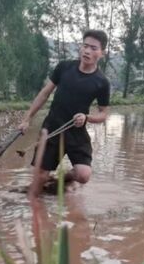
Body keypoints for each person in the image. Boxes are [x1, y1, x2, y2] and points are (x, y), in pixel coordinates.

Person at [19, 29, 110, 197]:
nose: (87, 51)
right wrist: (27, 119)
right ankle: (40, 199)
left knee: (83, 175)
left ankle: (61, 178)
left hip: (77, 132)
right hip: (52, 129)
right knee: (39, 180)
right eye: (85, 46)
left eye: (94, 48)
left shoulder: (102, 82)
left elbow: (104, 114)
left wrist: (87, 117)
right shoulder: (64, 68)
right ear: (81, 47)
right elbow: (44, 93)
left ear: (102, 53)